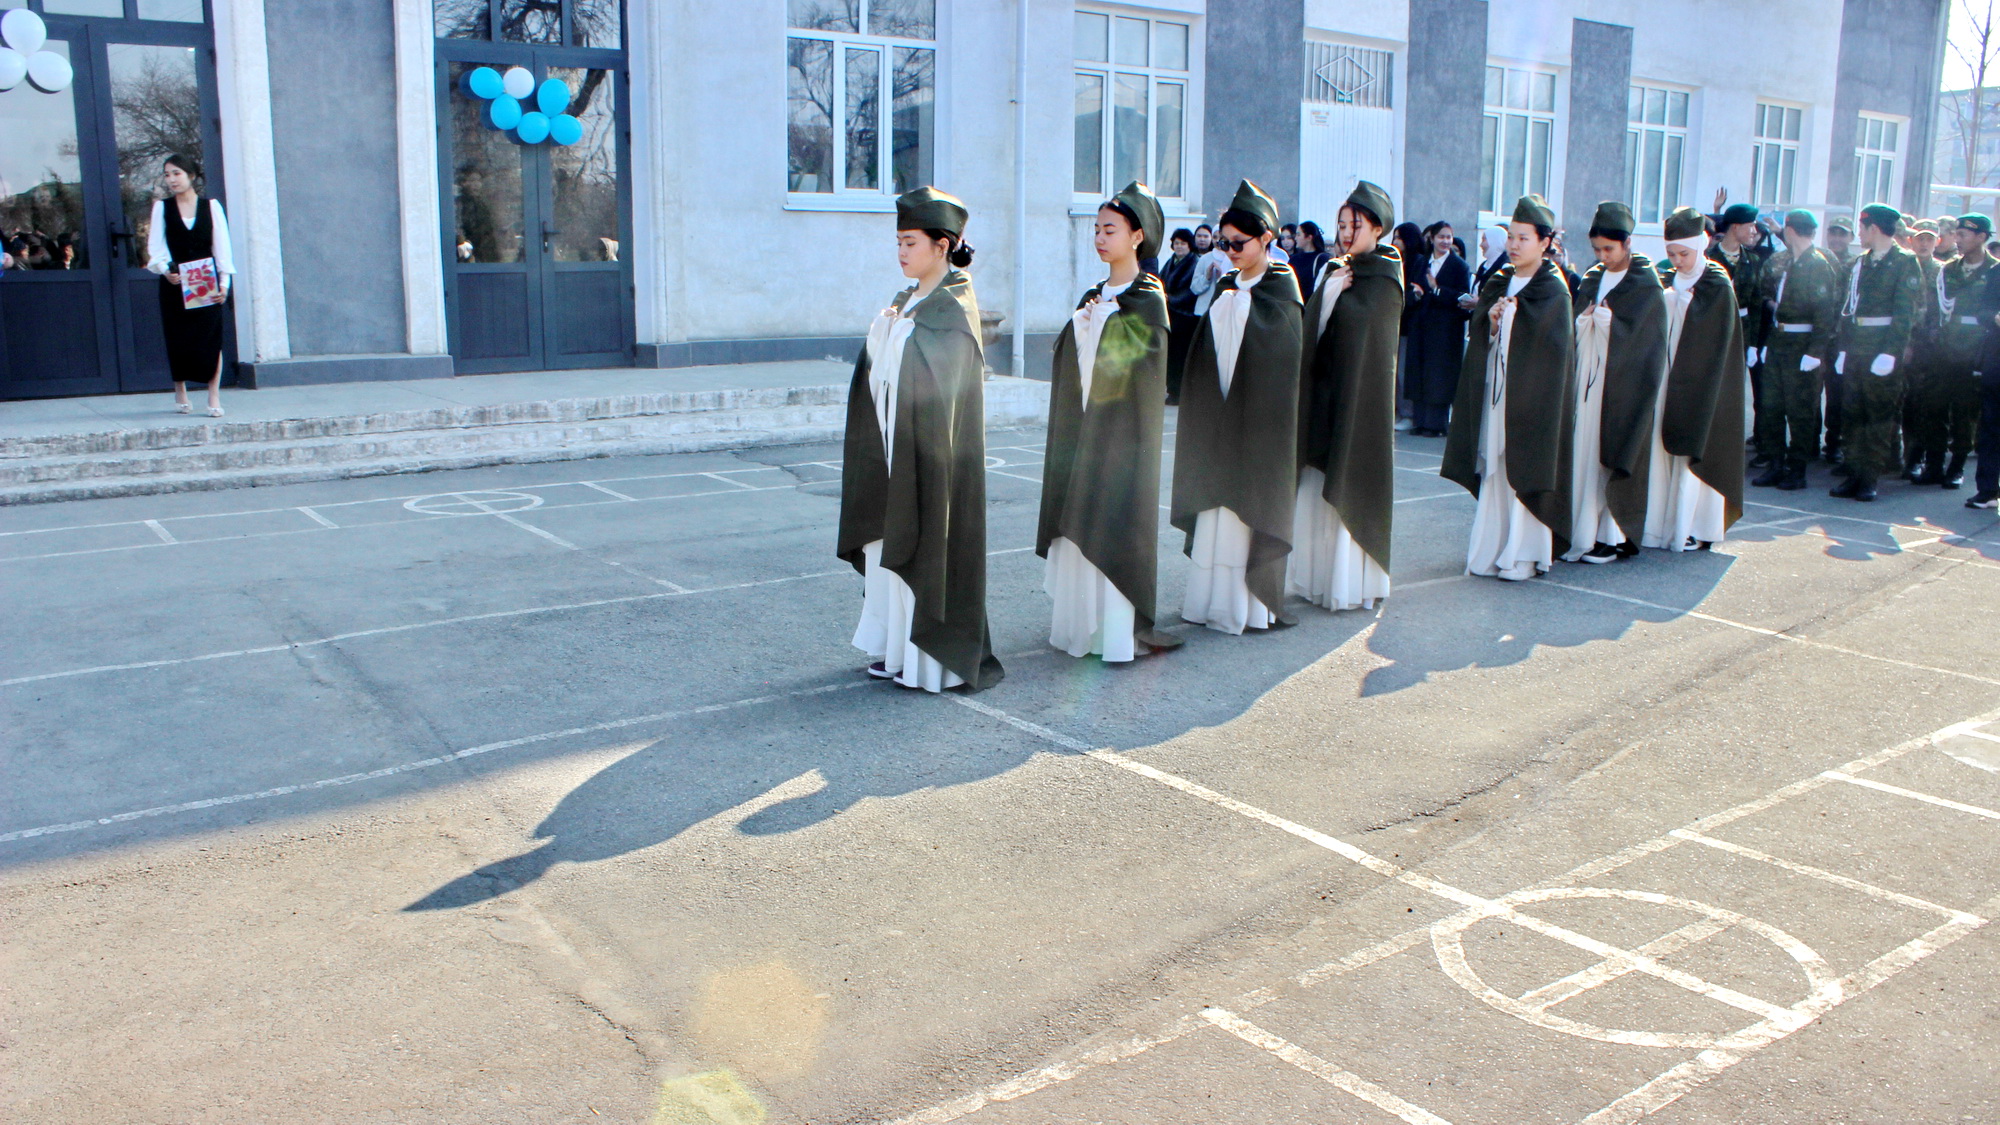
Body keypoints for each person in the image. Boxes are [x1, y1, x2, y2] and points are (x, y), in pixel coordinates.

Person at [836, 186, 1003, 692]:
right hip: (893, 441)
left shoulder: (953, 306)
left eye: (911, 242)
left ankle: (931, 659)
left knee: (925, 536)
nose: (902, 252)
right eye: (899, 243)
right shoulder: (904, 301)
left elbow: (942, 388)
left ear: (942, 245)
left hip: (930, 451)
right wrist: (883, 335)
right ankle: (896, 647)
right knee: (890, 537)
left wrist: (897, 341)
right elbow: (879, 371)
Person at [1037, 182, 1183, 662]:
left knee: (1114, 521)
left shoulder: (1147, 299)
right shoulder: (1094, 296)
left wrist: (1104, 324)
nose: (1100, 238)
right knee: (1080, 514)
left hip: (1121, 438)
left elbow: (1140, 376)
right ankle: (1082, 627)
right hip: (1085, 429)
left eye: (1111, 230)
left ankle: (1116, 633)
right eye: (1097, 229)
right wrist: (1085, 325)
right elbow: (1071, 364)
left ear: (1137, 236)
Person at [1170, 180, 1304, 634]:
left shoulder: (1281, 288)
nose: (1229, 252)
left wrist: (1241, 310)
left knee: (1248, 507)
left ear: (1266, 238)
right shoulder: (1227, 283)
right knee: (1217, 511)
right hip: (1221, 413)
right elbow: (1203, 354)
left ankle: (1248, 605)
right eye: (1223, 243)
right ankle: (1209, 601)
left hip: (1258, 423)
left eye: (1238, 243)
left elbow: (1283, 359)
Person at [1441, 194, 1575, 580]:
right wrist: (1494, 323)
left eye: (1523, 238)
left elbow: (1554, 352)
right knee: (1495, 468)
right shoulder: (1500, 280)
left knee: (1523, 467)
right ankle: (1492, 547)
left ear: (1544, 242)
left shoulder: (1553, 289)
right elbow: (1482, 333)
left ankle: (1525, 554)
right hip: (1496, 393)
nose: (1514, 246)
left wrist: (1516, 322)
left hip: (1531, 400)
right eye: (1511, 237)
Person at [1290, 181, 1400, 611]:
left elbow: (1369, 344)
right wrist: (1330, 292)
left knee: (1353, 481)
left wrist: (1337, 297)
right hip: (1326, 396)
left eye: (1355, 226)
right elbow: (1312, 330)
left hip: (1360, 401)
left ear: (1377, 228)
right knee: (1318, 484)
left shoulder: (1385, 277)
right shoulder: (1335, 270)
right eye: (1341, 226)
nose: (1346, 234)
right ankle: (1319, 578)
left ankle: (1351, 583)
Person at [1566, 201, 1668, 563]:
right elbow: (1575, 323)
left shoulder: (1645, 283)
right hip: (1588, 383)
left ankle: (1611, 535)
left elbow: (1649, 341)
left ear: (1627, 243)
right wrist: (1584, 322)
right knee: (1585, 454)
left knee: (1612, 451)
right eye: (1596, 249)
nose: (1602, 256)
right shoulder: (1593, 278)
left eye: (1609, 249)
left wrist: (1612, 327)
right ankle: (1583, 528)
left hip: (1623, 385)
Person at [1642, 207, 1745, 549]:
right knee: (1663, 448)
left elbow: (1715, 335)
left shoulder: (1716, 282)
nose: (1677, 261)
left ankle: (1695, 526)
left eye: (1683, 254)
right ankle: (1661, 523)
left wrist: (1683, 305)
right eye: (1671, 254)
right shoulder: (1669, 277)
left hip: (1701, 380)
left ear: (1700, 246)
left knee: (1694, 447)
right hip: (1668, 374)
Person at [1830, 203, 1924, 502]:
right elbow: (1848, 308)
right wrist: (1843, 348)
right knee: (1852, 414)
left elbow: (1905, 314)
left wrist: (1891, 352)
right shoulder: (1861, 262)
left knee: (1878, 416)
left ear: (1874, 228)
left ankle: (1870, 478)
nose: (1859, 234)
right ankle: (1854, 473)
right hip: (1857, 346)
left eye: (1862, 228)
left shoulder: (1904, 262)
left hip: (1882, 348)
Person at [1748, 209, 1842, 492]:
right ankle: (1776, 464)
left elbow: (1825, 313)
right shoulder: (1790, 260)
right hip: (1780, 340)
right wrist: (1768, 343)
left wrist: (1815, 352)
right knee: (1772, 407)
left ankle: (1797, 469)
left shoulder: (1818, 264)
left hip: (1802, 344)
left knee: (1800, 411)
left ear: (1789, 230)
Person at [146, 154, 233, 418]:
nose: (171, 179)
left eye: (177, 173)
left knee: (211, 338)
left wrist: (224, 283)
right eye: (167, 174)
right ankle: (180, 390)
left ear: (191, 176)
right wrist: (165, 271)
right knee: (178, 338)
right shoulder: (162, 208)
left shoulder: (211, 207)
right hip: (176, 283)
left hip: (206, 282)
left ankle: (213, 395)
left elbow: (222, 247)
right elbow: (156, 247)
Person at [1915, 214, 1995, 488]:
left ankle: (1957, 466)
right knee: (1934, 406)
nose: (1957, 240)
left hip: (1976, 348)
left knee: (1965, 411)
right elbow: (1935, 307)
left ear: (1981, 237)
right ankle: (1933, 464)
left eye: (1964, 235)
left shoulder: (1995, 271)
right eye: (1957, 234)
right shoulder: (1949, 269)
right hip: (1944, 346)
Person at [1708, 203, 1772, 467]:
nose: (1754, 231)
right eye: (1750, 226)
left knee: (1740, 392)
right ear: (1735, 227)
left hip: (1743, 329)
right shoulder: (1709, 258)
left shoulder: (1753, 260)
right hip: (1714, 329)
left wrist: (1754, 344)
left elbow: (1756, 305)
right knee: (1714, 390)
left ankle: (1736, 445)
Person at [1405, 219, 1470, 436]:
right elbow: (1410, 289)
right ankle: (1420, 421)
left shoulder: (1459, 266)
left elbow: (1463, 298)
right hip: (1421, 326)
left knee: (1438, 376)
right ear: (1431, 239)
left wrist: (1437, 290)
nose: (1445, 241)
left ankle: (1435, 424)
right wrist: (1416, 294)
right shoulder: (1422, 263)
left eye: (1448, 237)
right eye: (1441, 237)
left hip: (1444, 331)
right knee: (1420, 373)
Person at [1160, 226, 1201, 403]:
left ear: (1189, 245)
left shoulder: (1195, 262)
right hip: (1171, 313)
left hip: (1185, 315)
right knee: (1171, 353)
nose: (1179, 247)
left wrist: (1172, 299)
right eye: (1176, 243)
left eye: (1183, 243)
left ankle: (1178, 392)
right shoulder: (1171, 261)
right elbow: (1161, 281)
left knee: (1180, 355)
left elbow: (1192, 289)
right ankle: (1172, 389)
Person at [1190, 223, 1231, 317]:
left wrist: (1221, 278)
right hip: (1204, 311)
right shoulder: (1204, 259)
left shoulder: (1233, 258)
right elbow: (1194, 288)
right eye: (1215, 237)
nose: (1217, 240)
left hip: (1225, 311)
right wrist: (1207, 277)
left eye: (1221, 237)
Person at [1291, 220, 1330, 300]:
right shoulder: (1294, 259)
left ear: (1309, 237)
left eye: (1298, 235)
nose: (1295, 238)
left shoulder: (1322, 259)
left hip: (1311, 303)